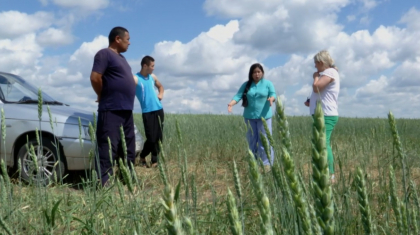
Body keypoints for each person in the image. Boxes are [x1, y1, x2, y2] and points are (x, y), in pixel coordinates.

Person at [90, 26, 136, 186]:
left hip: (126, 111)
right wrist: (101, 95)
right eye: (127, 39)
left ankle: (127, 180)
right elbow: (95, 77)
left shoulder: (122, 58)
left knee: (129, 148)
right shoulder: (104, 54)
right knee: (107, 148)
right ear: (118, 39)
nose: (129, 43)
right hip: (111, 109)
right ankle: (103, 184)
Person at [228, 63, 276, 171]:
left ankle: (266, 164)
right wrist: (231, 104)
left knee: (265, 140)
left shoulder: (268, 84)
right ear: (251, 74)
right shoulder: (246, 85)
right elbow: (238, 96)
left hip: (264, 117)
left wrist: (271, 99)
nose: (257, 74)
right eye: (254, 72)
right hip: (250, 117)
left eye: (259, 72)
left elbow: (273, 94)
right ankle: (253, 162)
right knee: (252, 140)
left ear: (262, 73)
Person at [305, 50, 340, 183]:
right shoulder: (330, 72)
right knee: (321, 143)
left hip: (326, 114)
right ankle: (324, 171)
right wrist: (311, 102)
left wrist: (315, 77)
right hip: (321, 114)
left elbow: (317, 87)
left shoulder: (330, 72)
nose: (315, 67)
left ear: (321, 62)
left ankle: (330, 175)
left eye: (315, 63)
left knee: (324, 144)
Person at [134, 56, 164, 168]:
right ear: (145, 66)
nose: (153, 68)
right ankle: (142, 156)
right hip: (147, 112)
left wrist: (160, 94)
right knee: (151, 138)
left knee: (159, 137)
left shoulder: (152, 77)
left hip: (159, 109)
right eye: (152, 66)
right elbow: (126, 90)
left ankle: (154, 161)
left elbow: (161, 87)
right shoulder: (135, 78)